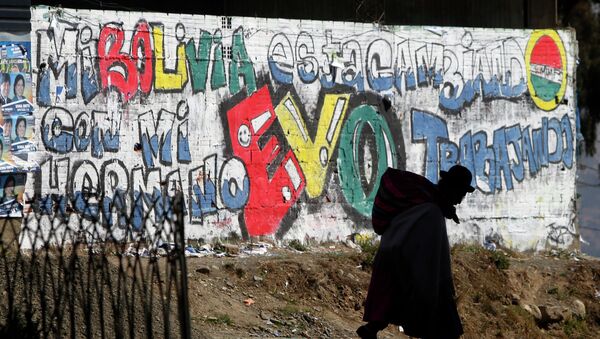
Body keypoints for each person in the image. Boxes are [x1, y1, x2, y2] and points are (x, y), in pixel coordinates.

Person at [357, 165, 475, 339]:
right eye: (461, 194)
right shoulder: (431, 213)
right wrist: (435, 285)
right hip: (408, 265)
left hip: (391, 255)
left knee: (390, 299)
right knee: (442, 320)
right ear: (453, 189)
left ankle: (371, 329)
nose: (460, 200)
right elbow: (430, 260)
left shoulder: (421, 202)